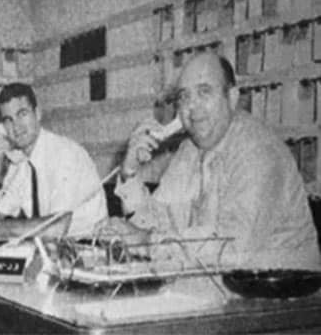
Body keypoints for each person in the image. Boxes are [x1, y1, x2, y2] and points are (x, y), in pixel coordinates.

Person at [99, 52, 320, 270]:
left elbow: (232, 248)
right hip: (216, 289)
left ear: (231, 98)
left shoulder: (259, 152)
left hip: (284, 297)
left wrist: (146, 242)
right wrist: (130, 173)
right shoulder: (190, 149)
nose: (192, 108)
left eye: (204, 92)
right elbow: (154, 221)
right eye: (184, 97)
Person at [0, 83, 107, 237]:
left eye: (22, 114)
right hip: (51, 250)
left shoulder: (65, 154)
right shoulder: (20, 164)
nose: (16, 127)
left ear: (38, 113)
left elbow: (57, 227)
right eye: (8, 120)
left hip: (88, 249)